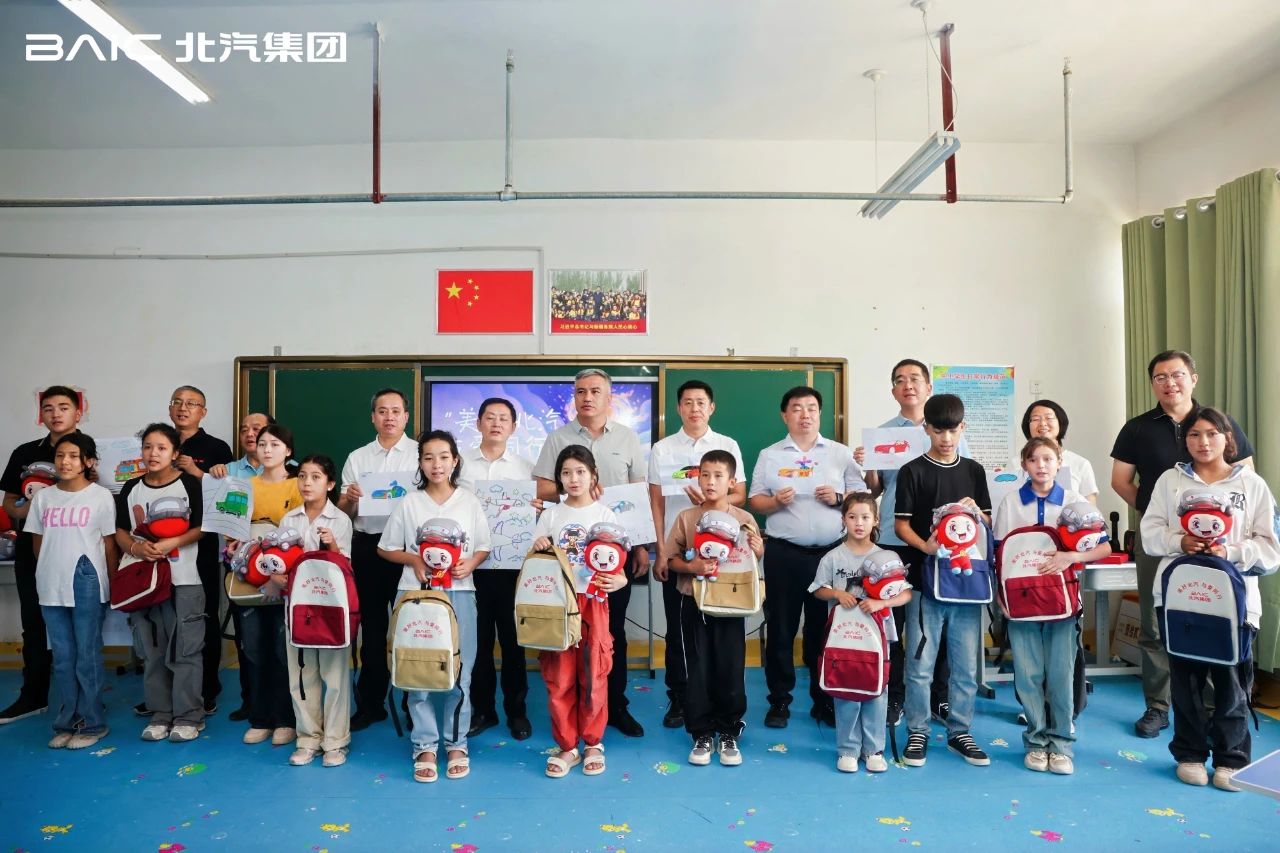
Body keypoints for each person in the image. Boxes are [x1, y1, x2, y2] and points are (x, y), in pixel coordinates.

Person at [1110, 350, 1254, 738]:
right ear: (1152, 384)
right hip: (1158, 540)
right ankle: (1158, 706)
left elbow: (1246, 480)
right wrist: (1158, 517)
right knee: (1154, 622)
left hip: (1216, 543)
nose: (1169, 383)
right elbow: (1121, 481)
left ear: (1193, 378)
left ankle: (1212, 707)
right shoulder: (1137, 428)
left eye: (1177, 375)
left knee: (1211, 615)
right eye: (1160, 377)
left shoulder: (1219, 424)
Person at [1140, 406, 1278, 791]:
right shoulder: (1170, 480)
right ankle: (1190, 754)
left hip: (1234, 604)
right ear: (1185, 440)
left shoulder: (1251, 484)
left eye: (1211, 434)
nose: (1203, 442)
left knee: (1231, 681)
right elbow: (1149, 532)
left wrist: (1230, 551)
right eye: (1194, 435)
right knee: (1185, 681)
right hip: (1179, 600)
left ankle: (1232, 759)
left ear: (1227, 438)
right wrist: (1179, 541)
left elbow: (1270, 548)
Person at [533, 369, 650, 737]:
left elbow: (639, 493)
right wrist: (578, 489)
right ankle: (572, 713)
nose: (587, 397)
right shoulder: (558, 438)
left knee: (611, 635)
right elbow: (543, 488)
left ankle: (615, 706)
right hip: (568, 571)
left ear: (609, 397)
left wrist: (641, 546)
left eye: (595, 391)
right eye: (581, 391)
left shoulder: (627, 438)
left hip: (614, 558)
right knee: (567, 640)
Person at [748, 385, 866, 729]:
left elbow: (861, 497)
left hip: (830, 556)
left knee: (824, 630)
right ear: (785, 415)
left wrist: (839, 498)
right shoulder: (770, 454)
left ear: (820, 414)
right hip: (783, 554)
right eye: (797, 408)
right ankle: (779, 702)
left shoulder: (840, 453)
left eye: (812, 408)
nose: (805, 414)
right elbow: (755, 500)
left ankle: (823, 700)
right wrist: (775, 503)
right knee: (781, 630)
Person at [993, 438, 1112, 776]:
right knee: (1028, 674)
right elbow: (999, 556)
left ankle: (1061, 744)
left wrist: (1071, 556)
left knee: (1061, 674)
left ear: (1059, 462)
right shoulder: (1011, 503)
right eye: (1034, 460)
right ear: (1024, 465)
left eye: (1048, 459)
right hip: (1020, 602)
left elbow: (1103, 548)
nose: (1041, 465)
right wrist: (1000, 598)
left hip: (1063, 602)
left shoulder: (1075, 502)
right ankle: (1035, 740)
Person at [377, 430, 490, 783]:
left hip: (460, 594)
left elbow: (483, 546)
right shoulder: (410, 503)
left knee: (461, 670)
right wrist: (413, 559)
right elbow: (385, 548)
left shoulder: (469, 502)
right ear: (421, 463)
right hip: (415, 596)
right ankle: (424, 744)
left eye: (443, 457)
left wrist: (471, 563)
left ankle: (456, 743)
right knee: (417, 670)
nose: (436, 464)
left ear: (455, 461)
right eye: (428, 457)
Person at [856, 359, 962, 727]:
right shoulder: (883, 434)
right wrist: (869, 465)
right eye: (900, 380)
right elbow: (874, 490)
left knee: (942, 619)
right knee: (894, 620)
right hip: (893, 537)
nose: (908, 385)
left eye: (915, 379)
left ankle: (939, 695)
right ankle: (896, 695)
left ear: (929, 387)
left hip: (942, 540)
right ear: (893, 391)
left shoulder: (947, 429)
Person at [894, 393, 992, 768]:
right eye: (938, 431)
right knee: (920, 663)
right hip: (925, 581)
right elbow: (901, 524)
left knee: (965, 666)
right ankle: (917, 730)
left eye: (952, 430)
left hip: (968, 584)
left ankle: (960, 731)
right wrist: (926, 546)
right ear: (927, 429)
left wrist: (976, 514)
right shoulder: (912, 471)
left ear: (963, 428)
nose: (946, 438)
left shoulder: (974, 471)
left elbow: (986, 523)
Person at [647, 380, 746, 729]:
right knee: (678, 630)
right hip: (678, 552)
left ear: (711, 407)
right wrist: (661, 551)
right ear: (678, 408)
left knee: (719, 630)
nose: (694, 408)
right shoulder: (662, 448)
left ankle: (718, 701)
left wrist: (711, 501)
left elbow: (741, 495)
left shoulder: (727, 445)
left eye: (701, 402)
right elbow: (655, 502)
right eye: (687, 402)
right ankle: (679, 697)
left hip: (722, 559)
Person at [665, 450, 762, 767]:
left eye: (718, 476)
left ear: (732, 482)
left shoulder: (744, 520)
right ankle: (702, 732)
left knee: (730, 668)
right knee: (698, 668)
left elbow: (751, 561)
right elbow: (671, 560)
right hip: (694, 602)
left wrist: (759, 549)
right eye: (704, 475)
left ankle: (729, 730)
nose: (710, 481)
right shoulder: (687, 518)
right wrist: (691, 566)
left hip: (731, 605)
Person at [533, 446, 626, 777]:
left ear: (593, 475)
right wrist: (538, 546)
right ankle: (567, 745)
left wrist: (620, 579)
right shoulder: (550, 516)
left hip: (593, 602)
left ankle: (592, 742)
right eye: (566, 472)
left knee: (594, 673)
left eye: (580, 472)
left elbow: (619, 564)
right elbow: (535, 561)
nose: (573, 479)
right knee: (559, 676)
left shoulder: (605, 515)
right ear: (558, 478)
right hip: (558, 604)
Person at [25, 433, 119, 749]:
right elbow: (38, 544)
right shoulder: (43, 498)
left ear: (88, 461)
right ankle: (67, 721)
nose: (65, 462)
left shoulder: (100, 496)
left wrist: (112, 583)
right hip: (50, 581)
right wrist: (51, 569)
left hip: (86, 580)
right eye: (60, 455)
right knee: (63, 657)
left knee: (87, 655)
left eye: (73, 456)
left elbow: (108, 545)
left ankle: (93, 723)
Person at [115, 423, 205, 743]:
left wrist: (172, 543)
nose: (153, 453)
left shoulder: (190, 485)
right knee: (153, 650)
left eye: (162, 448)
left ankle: (189, 716)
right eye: (148, 447)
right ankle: (161, 714)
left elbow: (202, 527)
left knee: (186, 650)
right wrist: (136, 548)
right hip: (144, 581)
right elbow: (120, 530)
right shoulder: (131, 488)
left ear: (175, 453)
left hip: (184, 579)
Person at [810, 493, 911, 773]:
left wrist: (881, 603)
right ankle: (848, 749)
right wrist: (836, 593)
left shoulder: (887, 558)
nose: (859, 523)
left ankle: (874, 749)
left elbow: (905, 594)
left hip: (877, 641)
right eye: (852, 517)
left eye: (865, 517)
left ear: (876, 520)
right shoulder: (833, 557)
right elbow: (818, 590)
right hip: (843, 640)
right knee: (846, 693)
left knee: (877, 692)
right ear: (843, 519)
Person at [0, 385, 84, 725]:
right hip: (31, 550)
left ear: (78, 412)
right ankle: (33, 696)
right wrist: (34, 510)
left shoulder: (90, 450)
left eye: (63, 407)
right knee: (33, 623)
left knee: (81, 625)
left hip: (77, 550)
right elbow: (9, 503)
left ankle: (84, 699)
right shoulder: (24, 452)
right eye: (48, 408)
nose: (56, 414)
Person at [338, 388, 420, 732]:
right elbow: (343, 512)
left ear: (406, 417)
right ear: (373, 417)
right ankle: (371, 704)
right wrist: (351, 499)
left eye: (396, 411)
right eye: (382, 411)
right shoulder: (358, 457)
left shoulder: (420, 455)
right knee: (371, 630)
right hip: (368, 548)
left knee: (412, 627)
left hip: (409, 550)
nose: (389, 417)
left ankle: (413, 704)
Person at [458, 397, 536, 741]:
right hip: (471, 565)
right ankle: (483, 710)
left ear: (514, 427)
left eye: (504, 419)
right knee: (478, 642)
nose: (496, 424)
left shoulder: (525, 468)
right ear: (478, 423)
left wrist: (534, 507)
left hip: (512, 568)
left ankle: (517, 712)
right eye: (490, 417)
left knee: (513, 641)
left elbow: (536, 515)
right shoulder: (459, 465)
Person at [280, 454, 354, 768]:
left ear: (330, 484)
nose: (307, 483)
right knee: (301, 672)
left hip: (331, 607)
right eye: (302, 476)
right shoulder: (289, 519)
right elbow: (281, 562)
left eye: (315, 477)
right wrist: (276, 573)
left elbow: (345, 567)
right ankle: (308, 737)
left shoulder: (340, 520)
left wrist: (332, 545)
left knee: (334, 675)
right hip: (298, 607)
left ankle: (336, 740)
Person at [234, 424, 303, 747]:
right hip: (249, 578)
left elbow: (300, 535)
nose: (267, 449)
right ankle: (259, 718)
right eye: (262, 444)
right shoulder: (242, 486)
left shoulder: (298, 485)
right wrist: (236, 548)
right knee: (253, 648)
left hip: (285, 581)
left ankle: (285, 719)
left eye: (275, 444)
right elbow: (231, 530)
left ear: (288, 450)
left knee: (282, 650)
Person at [167, 386, 234, 716]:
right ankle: (165, 690)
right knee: (165, 617)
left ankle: (207, 688)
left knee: (203, 614)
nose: (183, 408)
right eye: (177, 402)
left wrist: (197, 471)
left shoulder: (216, 448)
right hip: (162, 545)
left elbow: (230, 496)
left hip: (202, 542)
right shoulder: (161, 441)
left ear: (203, 412)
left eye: (191, 404)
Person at [207, 411, 273, 723]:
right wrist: (212, 476)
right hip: (240, 565)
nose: (249, 433)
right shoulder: (228, 471)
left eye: (256, 428)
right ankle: (252, 701)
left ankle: (281, 705)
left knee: (279, 639)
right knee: (248, 638)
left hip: (279, 568)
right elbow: (218, 514)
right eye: (244, 428)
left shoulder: (292, 470)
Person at [1020, 400, 1099, 502]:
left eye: (1049, 418)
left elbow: (1089, 507)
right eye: (1035, 419)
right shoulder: (1014, 463)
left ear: (1060, 423)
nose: (1042, 423)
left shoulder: (1080, 464)